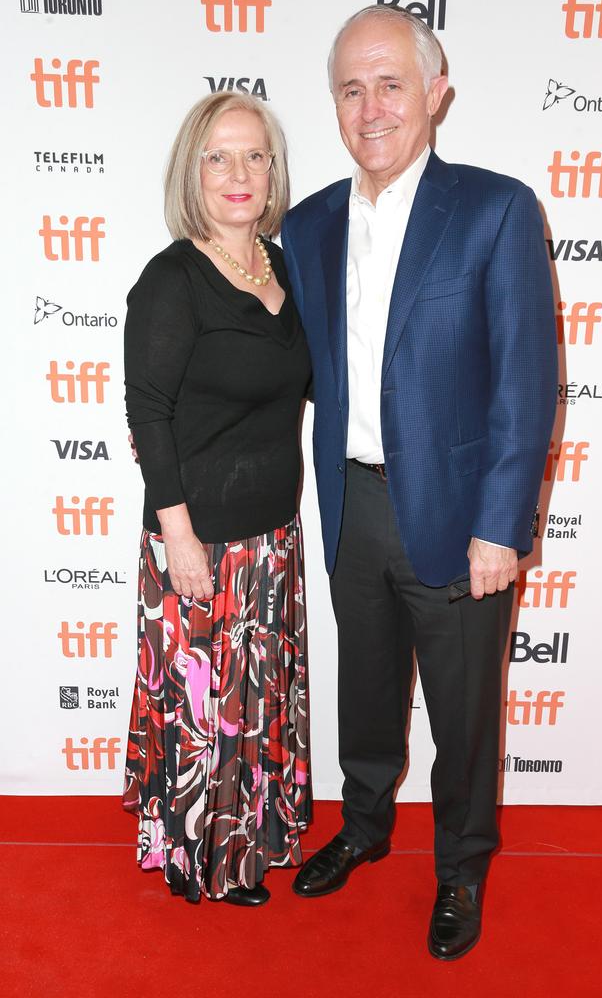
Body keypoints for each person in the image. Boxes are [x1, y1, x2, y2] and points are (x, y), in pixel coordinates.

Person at [281, 6, 557, 959]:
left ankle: (462, 865)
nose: (372, 107)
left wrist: (502, 524)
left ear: (436, 94)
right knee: (365, 688)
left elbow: (526, 382)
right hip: (354, 503)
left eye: (391, 83)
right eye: (351, 89)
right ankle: (362, 825)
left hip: (457, 515)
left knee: (465, 709)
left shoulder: (497, 209)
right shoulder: (306, 223)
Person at [122, 92, 312, 907]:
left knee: (257, 696)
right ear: (191, 173)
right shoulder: (171, 280)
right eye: (219, 157)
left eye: (256, 156)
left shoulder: (283, 265)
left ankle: (255, 837)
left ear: (274, 174)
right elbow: (148, 413)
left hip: (272, 537)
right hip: (200, 540)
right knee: (207, 707)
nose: (240, 173)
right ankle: (197, 852)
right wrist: (181, 536)